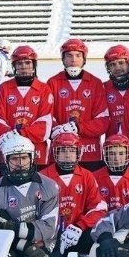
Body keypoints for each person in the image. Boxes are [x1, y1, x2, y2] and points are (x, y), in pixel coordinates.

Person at [39, 132, 108, 257]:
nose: (67, 155)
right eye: (62, 151)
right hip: (53, 236)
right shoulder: (43, 177)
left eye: (71, 151)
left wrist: (79, 226)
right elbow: (37, 211)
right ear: (55, 153)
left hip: (78, 232)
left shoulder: (87, 176)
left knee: (103, 241)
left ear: (78, 153)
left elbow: (99, 207)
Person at [47, 38, 109, 171]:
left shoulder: (95, 83)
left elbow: (102, 122)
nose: (73, 60)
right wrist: (58, 130)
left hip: (90, 154)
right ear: (63, 59)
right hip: (62, 153)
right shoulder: (53, 82)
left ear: (84, 58)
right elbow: (47, 117)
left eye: (78, 55)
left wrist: (78, 128)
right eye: (69, 55)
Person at [0, 45, 54, 169]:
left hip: (37, 154)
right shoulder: (4, 88)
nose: (24, 67)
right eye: (19, 64)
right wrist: (11, 137)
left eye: (27, 63)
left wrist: (19, 133)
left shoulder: (44, 89)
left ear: (34, 65)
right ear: (14, 66)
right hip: (9, 153)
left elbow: (44, 125)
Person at [93, 134, 129, 212]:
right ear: (106, 155)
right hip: (101, 222)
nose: (117, 158)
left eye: (121, 153)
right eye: (112, 154)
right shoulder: (94, 178)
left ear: (127, 154)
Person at [103, 44, 129, 137]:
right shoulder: (103, 89)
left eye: (121, 63)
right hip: (114, 148)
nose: (117, 68)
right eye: (113, 64)